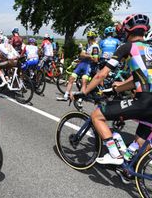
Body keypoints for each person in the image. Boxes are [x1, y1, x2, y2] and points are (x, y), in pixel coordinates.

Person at [73, 14, 151, 168]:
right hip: (149, 102)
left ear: (127, 30)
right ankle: (130, 171)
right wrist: (116, 88)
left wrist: (84, 92)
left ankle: (114, 154)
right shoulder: (149, 48)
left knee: (97, 115)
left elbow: (102, 74)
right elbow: (138, 79)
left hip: (145, 100)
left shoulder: (127, 47)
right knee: (141, 137)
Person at [57, 31, 100, 101]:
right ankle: (65, 95)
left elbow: (95, 59)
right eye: (88, 37)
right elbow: (81, 55)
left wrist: (86, 55)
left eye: (90, 37)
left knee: (84, 82)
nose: (88, 39)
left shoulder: (95, 47)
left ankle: (80, 99)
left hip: (88, 65)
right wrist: (88, 56)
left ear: (93, 38)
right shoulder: (88, 45)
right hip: (82, 64)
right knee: (71, 78)